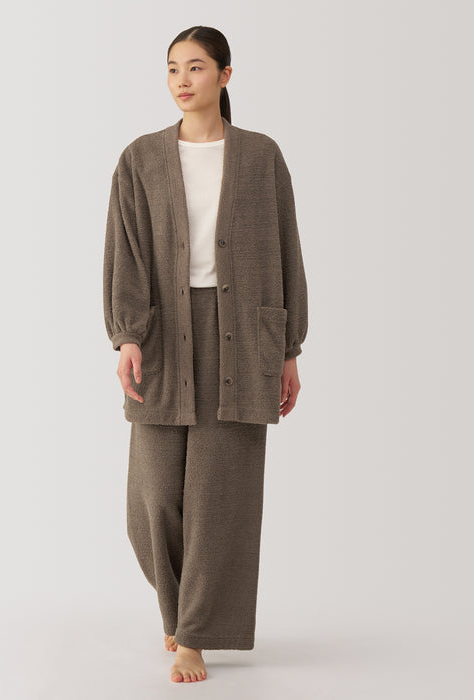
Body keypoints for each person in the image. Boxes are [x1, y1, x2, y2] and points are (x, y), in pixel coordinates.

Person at [102, 26, 308, 683]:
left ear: (225, 75)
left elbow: (286, 251)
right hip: (163, 332)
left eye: (195, 67)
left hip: (242, 334)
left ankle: (193, 635)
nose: (182, 80)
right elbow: (125, 250)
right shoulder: (140, 159)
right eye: (172, 69)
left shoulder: (261, 156)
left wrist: (288, 350)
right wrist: (128, 334)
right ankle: (178, 610)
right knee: (154, 498)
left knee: (221, 495)